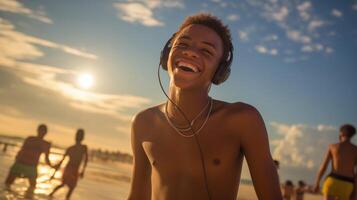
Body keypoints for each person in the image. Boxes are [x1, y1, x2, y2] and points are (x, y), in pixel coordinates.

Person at [128, 13, 282, 199]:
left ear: (220, 71)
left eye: (207, 51)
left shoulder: (243, 120)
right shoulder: (143, 122)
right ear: (167, 54)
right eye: (182, 44)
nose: (190, 52)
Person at [4, 124, 53, 194]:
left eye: (43, 131)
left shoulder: (45, 144)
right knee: (7, 184)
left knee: (32, 187)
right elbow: (22, 150)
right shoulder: (30, 139)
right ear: (38, 130)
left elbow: (47, 159)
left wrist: (52, 166)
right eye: (41, 130)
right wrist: (17, 158)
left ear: (45, 132)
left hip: (30, 166)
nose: (42, 132)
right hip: (20, 163)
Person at [314, 124, 357, 200]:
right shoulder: (355, 150)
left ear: (341, 134)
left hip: (333, 181)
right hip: (347, 183)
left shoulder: (333, 147)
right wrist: (355, 190)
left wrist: (317, 182)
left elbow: (323, 167)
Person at [49, 129, 88, 200]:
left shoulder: (79, 148)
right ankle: (54, 195)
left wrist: (83, 171)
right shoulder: (75, 148)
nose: (78, 137)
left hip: (73, 170)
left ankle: (51, 194)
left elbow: (86, 160)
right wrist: (53, 174)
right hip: (70, 169)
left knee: (66, 185)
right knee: (69, 186)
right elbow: (61, 162)